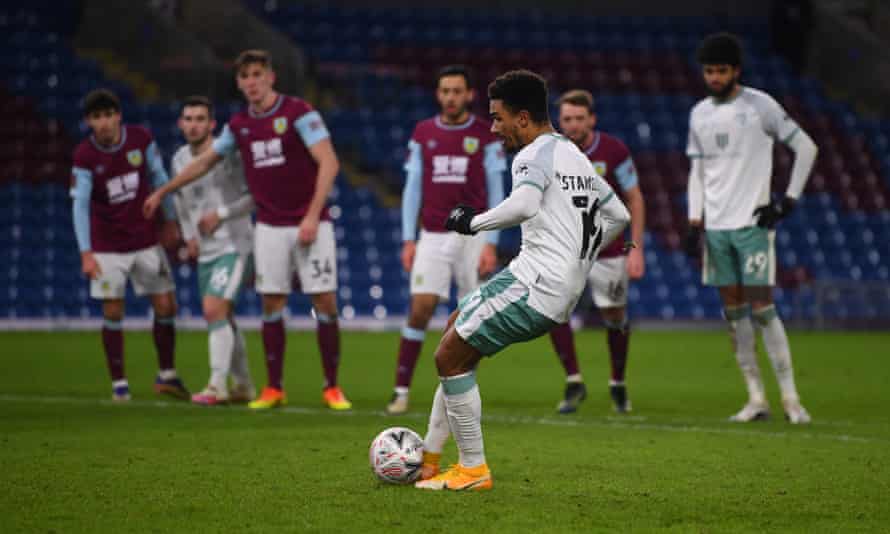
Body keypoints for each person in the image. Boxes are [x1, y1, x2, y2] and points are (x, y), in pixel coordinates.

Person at [415, 70, 630, 491]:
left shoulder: (531, 156)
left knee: (448, 357)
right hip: (556, 285)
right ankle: (428, 458)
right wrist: (582, 259)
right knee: (455, 333)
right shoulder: (574, 156)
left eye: (499, 119)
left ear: (524, 118)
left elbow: (525, 203)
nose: (494, 128)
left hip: (535, 283)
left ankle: (473, 470)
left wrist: (473, 223)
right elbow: (619, 216)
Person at [144, 49, 350, 411]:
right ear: (239, 83)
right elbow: (204, 161)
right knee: (271, 301)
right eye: (245, 76)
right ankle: (273, 388)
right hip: (269, 227)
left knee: (324, 301)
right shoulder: (239, 125)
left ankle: (332, 386)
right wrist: (164, 190)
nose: (252, 81)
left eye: (258, 74)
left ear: (271, 77)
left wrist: (313, 215)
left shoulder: (299, 113)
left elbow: (329, 161)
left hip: (311, 223)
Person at [684, 33, 818, 423]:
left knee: (763, 308)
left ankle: (792, 400)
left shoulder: (761, 106)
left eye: (721, 71)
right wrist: (695, 222)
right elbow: (697, 172)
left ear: (736, 71)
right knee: (734, 312)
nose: (714, 77)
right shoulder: (699, 114)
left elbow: (807, 147)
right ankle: (756, 398)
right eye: (708, 71)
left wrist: (788, 201)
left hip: (753, 225)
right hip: (716, 229)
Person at [386, 65, 506, 415]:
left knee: (468, 319)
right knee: (420, 308)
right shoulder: (423, 133)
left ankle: (460, 392)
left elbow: (498, 190)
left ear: (469, 95)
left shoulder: (485, 134)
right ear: (438, 95)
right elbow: (412, 189)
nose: (450, 97)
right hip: (433, 235)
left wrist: (491, 242)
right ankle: (400, 390)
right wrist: (409, 239)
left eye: (457, 91)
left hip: (473, 235)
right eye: (445, 91)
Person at [70, 88, 188, 401]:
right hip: (107, 246)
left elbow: (160, 177)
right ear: (89, 122)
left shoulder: (140, 140)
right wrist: (86, 253)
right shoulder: (84, 156)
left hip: (146, 240)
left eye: (109, 115)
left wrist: (171, 219)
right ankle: (119, 384)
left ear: (118, 115)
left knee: (166, 305)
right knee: (113, 311)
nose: (105, 122)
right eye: (97, 117)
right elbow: (80, 206)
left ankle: (167, 375)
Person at [548, 89, 647, 414]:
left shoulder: (613, 150)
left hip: (610, 250)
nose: (573, 125)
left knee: (614, 316)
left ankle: (618, 383)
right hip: (566, 250)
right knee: (553, 312)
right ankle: (573, 380)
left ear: (592, 118)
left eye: (579, 118)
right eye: (567, 119)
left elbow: (634, 198)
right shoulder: (550, 153)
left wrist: (635, 248)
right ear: (558, 121)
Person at [170, 96, 256, 405]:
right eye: (188, 119)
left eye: (200, 119)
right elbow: (181, 203)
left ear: (212, 124)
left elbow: (253, 198)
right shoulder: (179, 159)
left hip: (236, 244)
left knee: (212, 310)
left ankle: (216, 384)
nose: (193, 125)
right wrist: (189, 235)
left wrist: (219, 215)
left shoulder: (228, 155)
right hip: (206, 251)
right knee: (223, 316)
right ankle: (244, 385)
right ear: (181, 123)